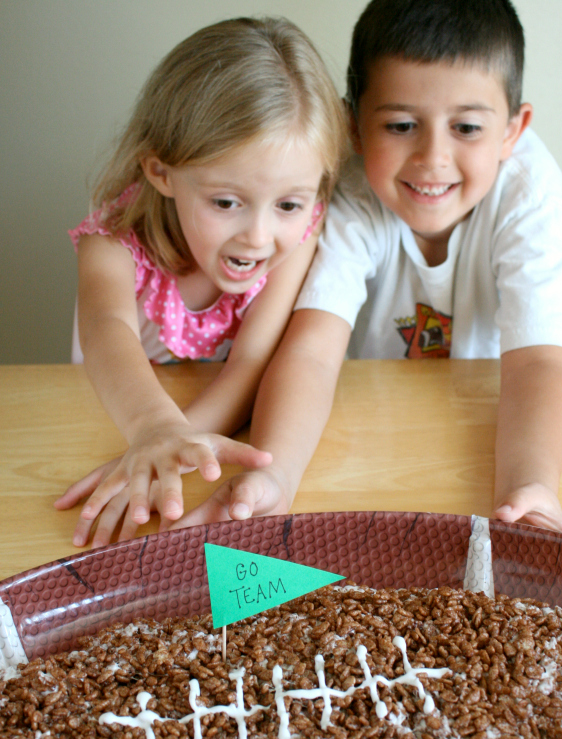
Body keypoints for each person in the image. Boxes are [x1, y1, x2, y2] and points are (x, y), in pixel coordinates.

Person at [176, 0, 562, 534]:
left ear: (512, 130)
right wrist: (281, 472)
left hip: (477, 406)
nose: (433, 157)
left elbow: (538, 364)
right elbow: (313, 351)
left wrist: (531, 487)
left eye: (467, 128)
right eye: (402, 125)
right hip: (374, 416)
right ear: (354, 127)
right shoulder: (351, 185)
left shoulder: (530, 191)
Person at [54, 16, 347, 547]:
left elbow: (251, 365)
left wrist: (178, 444)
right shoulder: (113, 241)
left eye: (287, 204)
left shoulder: (300, 231)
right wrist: (152, 429)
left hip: (178, 448)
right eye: (225, 202)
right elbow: (105, 331)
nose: (259, 236)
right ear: (161, 172)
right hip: (101, 426)